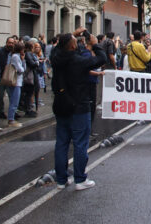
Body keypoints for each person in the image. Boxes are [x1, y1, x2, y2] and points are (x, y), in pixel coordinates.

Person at [51, 28, 107, 190]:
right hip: (79, 105)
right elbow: (101, 58)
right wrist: (95, 44)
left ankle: (61, 179)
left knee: (61, 143)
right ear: (73, 47)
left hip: (61, 105)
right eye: (76, 42)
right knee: (80, 143)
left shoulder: (56, 58)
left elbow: (56, 48)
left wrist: (72, 35)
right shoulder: (78, 61)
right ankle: (80, 179)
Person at [7, 41, 25, 128]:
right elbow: (21, 70)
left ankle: (12, 118)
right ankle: (11, 119)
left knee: (14, 101)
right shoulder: (16, 57)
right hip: (15, 82)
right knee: (14, 101)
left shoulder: (15, 56)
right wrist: (23, 61)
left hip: (17, 82)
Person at [0, 36, 15, 120]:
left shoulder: (14, 52)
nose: (10, 44)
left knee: (12, 95)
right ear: (6, 43)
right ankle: (1, 111)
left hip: (11, 77)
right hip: (1, 77)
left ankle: (13, 112)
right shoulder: (0, 51)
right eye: (9, 43)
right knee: (0, 95)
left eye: (12, 43)